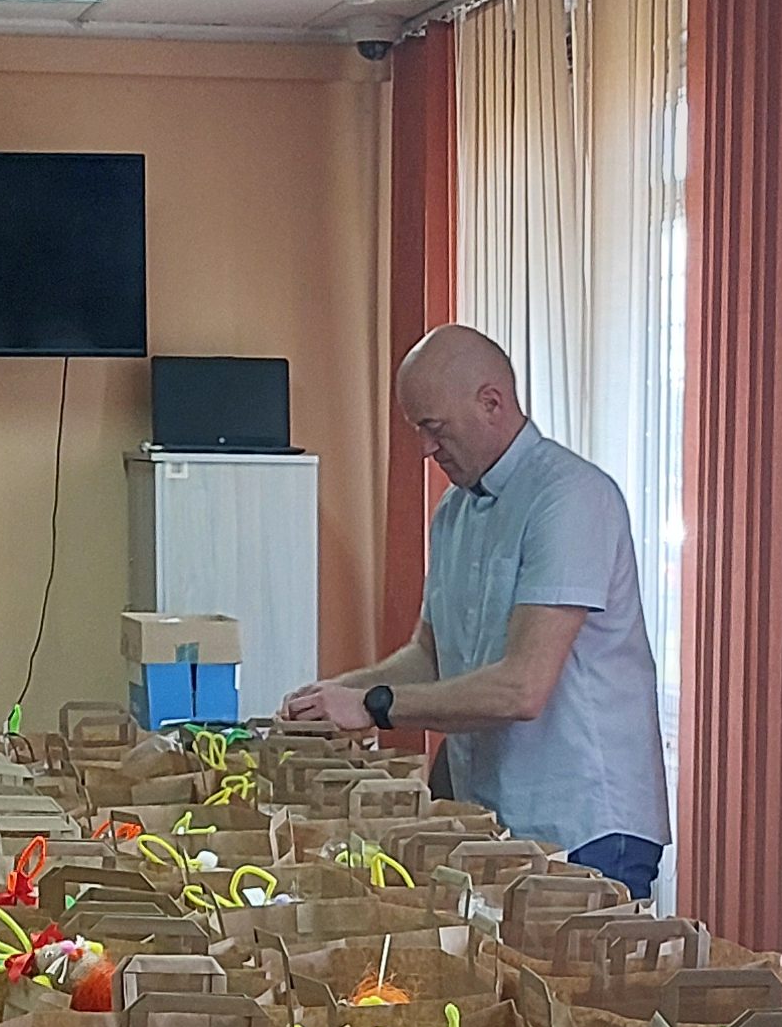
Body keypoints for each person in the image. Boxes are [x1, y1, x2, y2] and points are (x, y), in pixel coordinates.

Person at [283, 323, 670, 892]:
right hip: (497, 817)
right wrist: (331, 696)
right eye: (417, 429)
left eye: (434, 427)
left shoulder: (570, 497)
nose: (425, 448)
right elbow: (430, 656)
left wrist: (373, 705)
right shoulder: (454, 511)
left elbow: (522, 689)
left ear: (492, 402)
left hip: (584, 822)